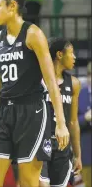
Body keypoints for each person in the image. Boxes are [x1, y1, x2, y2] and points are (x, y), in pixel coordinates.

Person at [0, 0, 70, 187]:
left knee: (30, 182)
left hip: (31, 112)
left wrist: (61, 123)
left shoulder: (33, 34)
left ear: (12, 7)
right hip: (4, 113)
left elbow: (50, 81)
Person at [39, 38, 82, 187]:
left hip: (62, 148)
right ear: (59, 54)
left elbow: (73, 121)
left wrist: (77, 154)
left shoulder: (74, 84)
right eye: (72, 53)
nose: (75, 57)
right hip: (40, 143)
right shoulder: (38, 79)